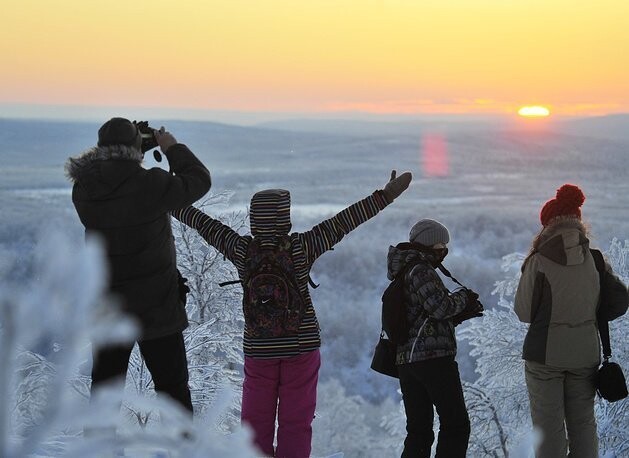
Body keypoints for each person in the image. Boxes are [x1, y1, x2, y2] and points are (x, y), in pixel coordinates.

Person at [172, 170, 412, 457]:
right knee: (296, 422)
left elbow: (203, 224)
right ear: (284, 218)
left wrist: (166, 199)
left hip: (259, 348)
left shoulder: (242, 250)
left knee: (254, 423)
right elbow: (345, 221)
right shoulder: (301, 247)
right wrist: (385, 195)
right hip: (301, 345)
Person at [65, 117, 211, 414]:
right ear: (135, 148)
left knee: (104, 394)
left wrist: (126, 149)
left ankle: (99, 450)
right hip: (157, 308)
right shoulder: (151, 185)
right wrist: (171, 147)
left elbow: (110, 174)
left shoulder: (84, 190)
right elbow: (199, 179)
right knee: (173, 394)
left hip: (109, 308)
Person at [514, 183, 612, 457]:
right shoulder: (594, 259)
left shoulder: (539, 261)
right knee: (583, 424)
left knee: (548, 428)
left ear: (547, 225)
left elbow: (523, 312)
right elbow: (619, 300)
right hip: (584, 354)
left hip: (545, 357)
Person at [387, 219, 482, 457]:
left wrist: (455, 316)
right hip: (433, 359)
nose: (444, 249)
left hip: (407, 362)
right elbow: (440, 308)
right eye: (441, 243)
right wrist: (463, 298)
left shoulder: (405, 270)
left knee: (419, 431)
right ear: (428, 243)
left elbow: (422, 315)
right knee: (456, 425)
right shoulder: (421, 270)